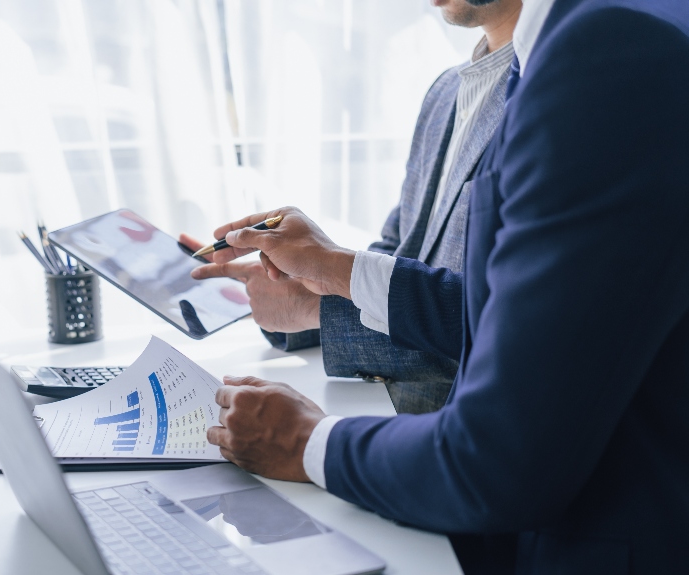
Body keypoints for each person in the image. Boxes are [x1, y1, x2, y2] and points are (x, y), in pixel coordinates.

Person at [202, 0, 689, 572]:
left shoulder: (603, 58)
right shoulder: (515, 68)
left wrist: (304, 440)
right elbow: (471, 292)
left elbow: (500, 451)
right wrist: (327, 278)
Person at [183, 0, 523, 414]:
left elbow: (505, 325)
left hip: (465, 430)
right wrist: (305, 285)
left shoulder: (557, 102)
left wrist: (320, 304)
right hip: (389, 415)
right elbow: (399, 251)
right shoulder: (446, 91)